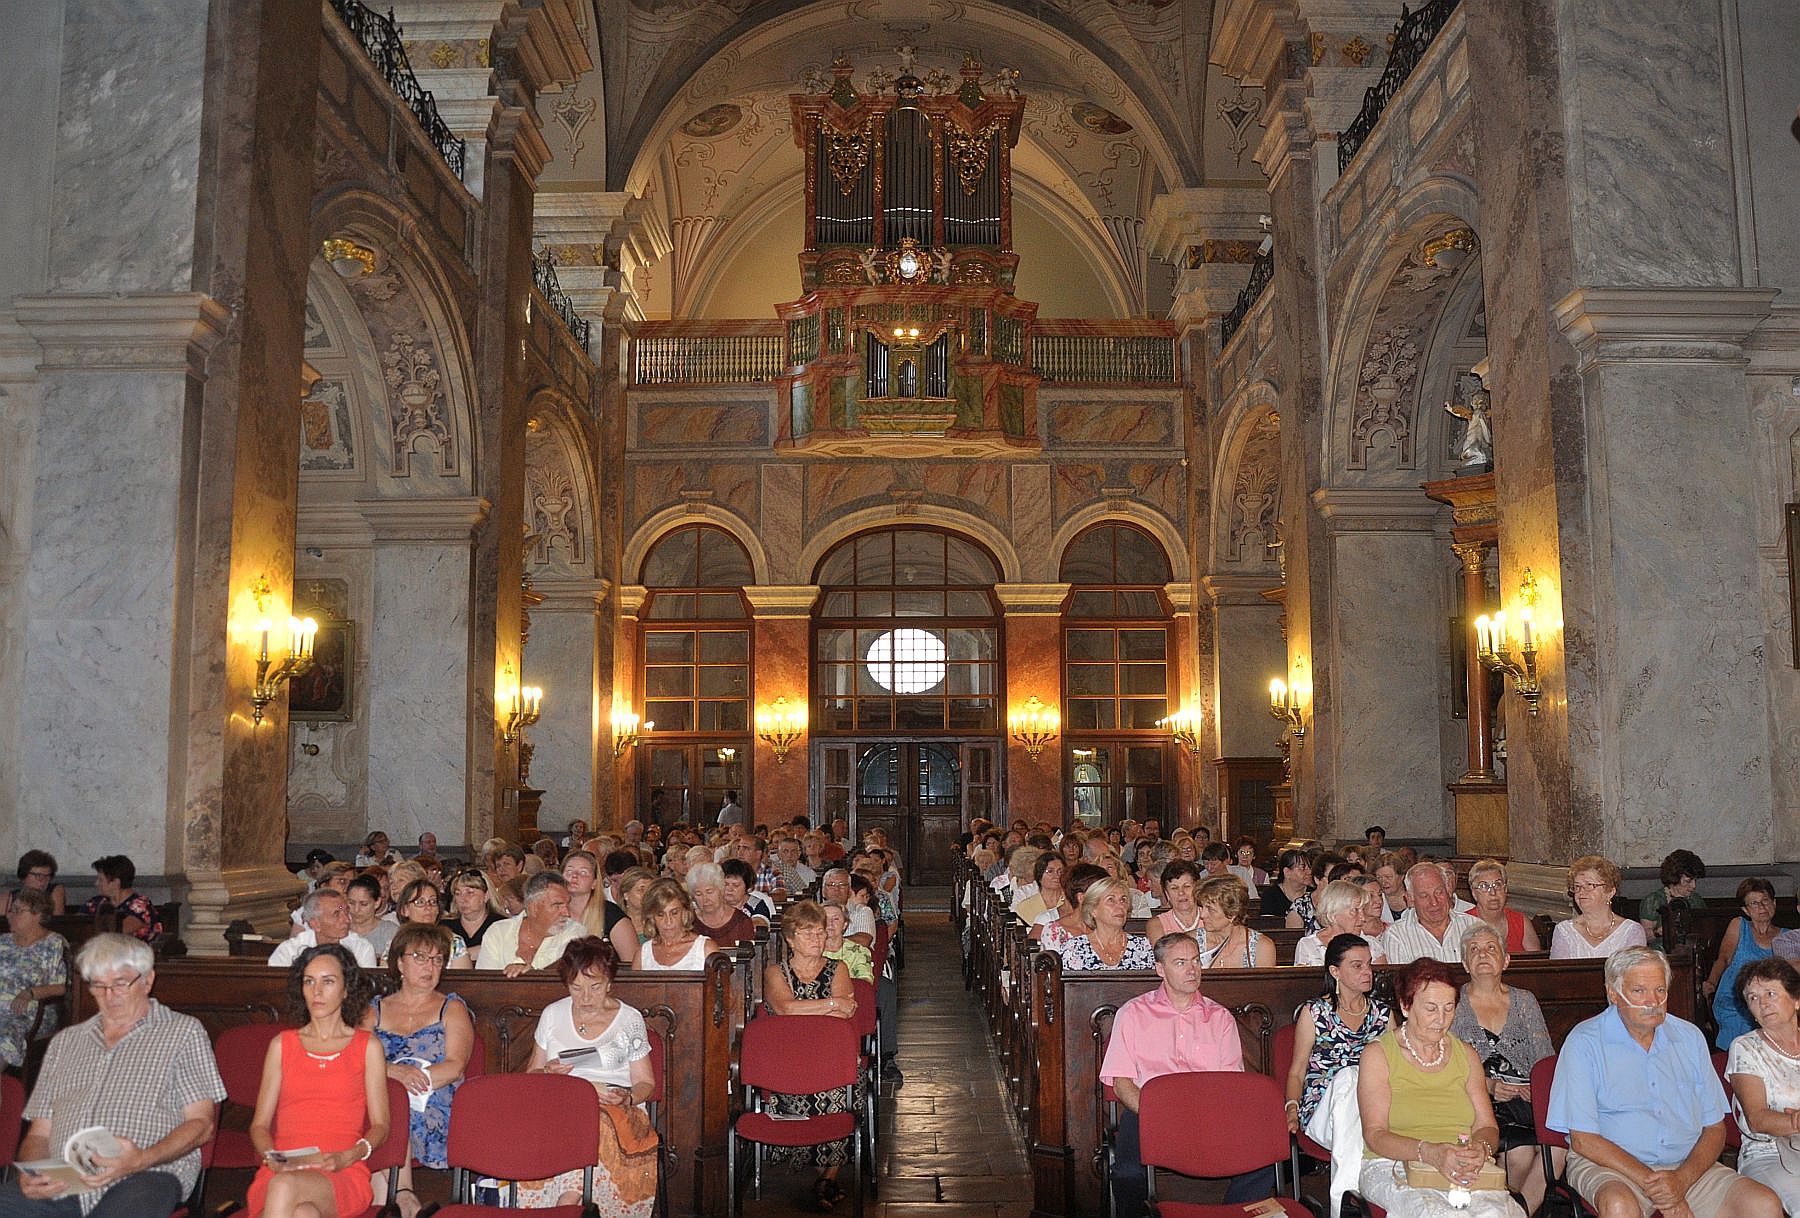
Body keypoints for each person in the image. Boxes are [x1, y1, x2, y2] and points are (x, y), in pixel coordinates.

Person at [1, 934, 225, 1217]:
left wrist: (141, 1159)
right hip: (67, 1179)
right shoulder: (65, 1042)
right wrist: (34, 1172)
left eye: (120, 984)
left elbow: (201, 1124)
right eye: (98, 985)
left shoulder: (183, 1033)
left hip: (147, 1173)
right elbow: (39, 1134)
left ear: (148, 980)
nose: (109, 997)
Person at [1549, 945, 1779, 1218]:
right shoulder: (1584, 1042)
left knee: (1764, 1204)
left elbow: (1715, 1128)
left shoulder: (1689, 1037)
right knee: (1619, 1205)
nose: (1652, 1001)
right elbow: (1584, 1140)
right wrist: (1662, 1189)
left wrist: (1680, 1181)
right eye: (1639, 991)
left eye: (1660, 990)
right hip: (1611, 1166)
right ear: (1613, 993)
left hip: (1686, 1167)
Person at [1100, 933, 1277, 1217]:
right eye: (1180, 962)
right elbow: (1121, 1084)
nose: (1192, 969)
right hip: (1148, 1113)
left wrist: (1203, 1118)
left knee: (1264, 1159)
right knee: (1128, 1174)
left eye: (1195, 960)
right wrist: (1158, 1115)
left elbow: (1230, 1085)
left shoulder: (1219, 1018)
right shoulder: (1132, 1013)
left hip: (1209, 1113)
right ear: (1160, 969)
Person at [1356, 958, 1522, 1218]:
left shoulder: (1466, 1054)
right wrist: (1430, 1152)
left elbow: (1486, 1126)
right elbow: (1375, 1135)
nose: (1441, 1019)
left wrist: (1481, 1149)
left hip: (1461, 1163)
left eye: (1448, 1008)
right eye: (1431, 1008)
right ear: (1405, 1006)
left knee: (1497, 1214)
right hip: (1392, 1162)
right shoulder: (1378, 1055)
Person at [245, 944, 390, 1218]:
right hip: (282, 1167)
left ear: (346, 990)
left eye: (328, 981)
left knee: (284, 1189)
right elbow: (259, 1125)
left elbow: (381, 1126)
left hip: (341, 1169)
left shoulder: (367, 1046)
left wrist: (348, 1156)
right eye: (309, 981)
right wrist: (272, 1157)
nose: (317, 991)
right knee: (303, 1213)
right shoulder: (282, 1045)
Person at [520, 937, 657, 1216]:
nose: (585, 998)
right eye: (575, 988)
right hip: (560, 1102)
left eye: (594, 987)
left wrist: (627, 1096)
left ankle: (567, 1203)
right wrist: (547, 1071)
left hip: (614, 1107)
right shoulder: (552, 1014)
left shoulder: (629, 1019)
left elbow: (646, 1083)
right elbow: (531, 1074)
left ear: (610, 982)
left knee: (593, 1122)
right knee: (539, 1122)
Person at [362, 925, 470, 1218]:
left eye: (437, 960)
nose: (430, 966)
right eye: (420, 957)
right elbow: (354, 1060)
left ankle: (404, 1195)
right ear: (399, 962)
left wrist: (410, 1082)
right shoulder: (374, 1010)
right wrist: (396, 1073)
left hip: (435, 1102)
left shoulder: (452, 1007)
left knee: (390, 1107)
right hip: (382, 1097)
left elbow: (455, 1066)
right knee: (381, 1105)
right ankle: (405, 1201)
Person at [1450, 923, 1557, 1214]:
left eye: (1491, 948)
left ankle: (1515, 1213)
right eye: (1474, 950)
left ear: (1506, 960)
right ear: (1464, 963)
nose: (1483, 955)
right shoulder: (1453, 1003)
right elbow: (1448, 1066)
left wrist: (1534, 1089)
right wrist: (1490, 1086)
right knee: (1522, 1154)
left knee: (1558, 1149)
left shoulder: (1524, 1001)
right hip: (1480, 1102)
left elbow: (1544, 1060)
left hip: (1527, 1101)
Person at [762, 901, 857, 1211]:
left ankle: (827, 1178)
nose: (817, 939)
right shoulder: (775, 972)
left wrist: (810, 1010)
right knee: (798, 1089)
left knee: (843, 1089)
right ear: (790, 938)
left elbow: (843, 1017)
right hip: (788, 1059)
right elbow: (785, 1009)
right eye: (808, 933)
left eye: (820, 932)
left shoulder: (837, 967)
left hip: (830, 1056)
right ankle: (824, 1180)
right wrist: (830, 1004)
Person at [1285, 933, 1390, 1132]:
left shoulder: (1382, 1014)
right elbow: (1297, 1072)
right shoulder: (1315, 1013)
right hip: (1326, 1106)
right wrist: (1292, 1107)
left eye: (1369, 964)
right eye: (1357, 966)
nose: (1368, 972)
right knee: (1347, 1079)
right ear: (1335, 971)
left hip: (1372, 1102)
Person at [1726, 957, 1800, 1214]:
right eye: (1753, 998)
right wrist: (1795, 1123)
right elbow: (1757, 1118)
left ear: (1796, 999)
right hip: (1768, 1154)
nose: (1763, 1003)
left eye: (1770, 993)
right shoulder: (1745, 1048)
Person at [1706, 877, 1781, 1050]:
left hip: (1768, 1000)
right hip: (1734, 999)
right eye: (1754, 903)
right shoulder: (1739, 925)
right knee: (1746, 1019)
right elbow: (1723, 958)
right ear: (1746, 910)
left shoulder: (1786, 936)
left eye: (1765, 901)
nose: (1762, 907)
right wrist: (1711, 982)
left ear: (1774, 903)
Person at [0, 888, 66, 1068]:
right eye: (10, 910)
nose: (9, 915)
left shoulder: (52, 943)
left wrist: (29, 993)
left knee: (5, 1035)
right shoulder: (3, 942)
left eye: (17, 911)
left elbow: (61, 987)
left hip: (28, 1013)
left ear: (37, 915)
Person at [476, 871, 583, 975]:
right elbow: (484, 983)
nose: (567, 913)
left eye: (567, 904)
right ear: (533, 908)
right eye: (557, 905)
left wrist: (531, 975)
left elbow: (568, 976)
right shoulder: (498, 932)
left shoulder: (576, 933)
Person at [1380, 861, 1483, 965]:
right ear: (1410, 899)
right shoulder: (1397, 936)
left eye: (1439, 892)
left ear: (1448, 891)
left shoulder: (1474, 927)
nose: (1434, 902)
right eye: (1424, 896)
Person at [1550, 855, 1647, 961]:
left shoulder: (1631, 931)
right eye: (1577, 886)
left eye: (1590, 885)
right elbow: (1559, 975)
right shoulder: (1564, 931)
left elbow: (1634, 974)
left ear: (1610, 892)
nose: (1581, 892)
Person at [1059, 878, 1154, 972]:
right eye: (1111, 900)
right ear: (1093, 910)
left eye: (1123, 900)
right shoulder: (1074, 949)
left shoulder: (1143, 948)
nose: (1120, 906)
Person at [271, 889, 379, 968]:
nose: (346, 920)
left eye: (346, 911)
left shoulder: (361, 948)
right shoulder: (289, 951)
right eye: (336, 914)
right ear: (315, 924)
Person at [1294, 879, 1388, 966]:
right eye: (1355, 911)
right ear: (1333, 915)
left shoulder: (1371, 945)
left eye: (1362, 910)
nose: (1363, 918)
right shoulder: (1308, 946)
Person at [1194, 875, 1275, 969]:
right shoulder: (1192, 943)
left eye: (1210, 909)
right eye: (1202, 907)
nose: (1202, 915)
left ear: (1233, 913)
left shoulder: (1261, 948)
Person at [1466, 858, 1541, 954]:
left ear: (1505, 889)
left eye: (1497, 885)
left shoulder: (1520, 922)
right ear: (1474, 893)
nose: (1493, 892)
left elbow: (1536, 963)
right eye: (1484, 886)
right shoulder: (1463, 923)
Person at [636, 879, 712, 971]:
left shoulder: (705, 949)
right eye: (660, 915)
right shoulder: (643, 954)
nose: (668, 921)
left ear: (684, 912)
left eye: (674, 913)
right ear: (652, 917)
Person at [394, 878, 470, 969]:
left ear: (438, 909)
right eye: (420, 902)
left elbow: (462, 981)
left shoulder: (454, 943)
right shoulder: (397, 943)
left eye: (433, 901)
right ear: (405, 910)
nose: (428, 907)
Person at [82, 856, 162, 943]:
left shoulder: (140, 906)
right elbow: (77, 926)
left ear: (116, 883)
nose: (96, 883)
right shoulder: (95, 903)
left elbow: (115, 933)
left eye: (101, 880)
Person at [1641, 849, 1708, 951]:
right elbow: (1645, 937)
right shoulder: (1653, 900)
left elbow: (1706, 930)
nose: (1694, 886)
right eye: (1688, 881)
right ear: (1674, 878)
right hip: (1661, 955)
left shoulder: (1696, 900)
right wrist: (1659, 932)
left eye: (1695, 880)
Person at [686, 863, 756, 947]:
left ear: (721, 890)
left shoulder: (742, 922)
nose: (705, 899)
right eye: (698, 894)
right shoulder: (689, 922)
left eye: (709, 892)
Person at [608, 867, 657, 967]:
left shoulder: (658, 923)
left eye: (650, 891)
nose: (647, 895)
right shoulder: (616, 923)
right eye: (641, 890)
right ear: (626, 894)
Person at [1146, 860, 1204, 941]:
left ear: (1197, 888)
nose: (1181, 893)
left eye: (1187, 886)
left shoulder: (1212, 917)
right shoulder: (1157, 925)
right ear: (1166, 893)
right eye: (1174, 888)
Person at [344, 875, 398, 962]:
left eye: (364, 904)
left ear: (377, 902)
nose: (356, 910)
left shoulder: (390, 932)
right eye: (351, 903)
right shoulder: (339, 929)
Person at [442, 869, 500, 950]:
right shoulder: (444, 927)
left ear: (486, 896)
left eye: (470, 893)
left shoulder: (500, 925)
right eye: (458, 893)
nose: (463, 899)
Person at [0, 851, 66, 919]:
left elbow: (57, 924)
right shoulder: (8, 898)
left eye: (47, 876)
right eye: (37, 875)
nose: (43, 881)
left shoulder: (55, 891)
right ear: (24, 876)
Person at [822, 901, 873, 981]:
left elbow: (864, 985)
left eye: (836, 919)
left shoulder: (859, 952)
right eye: (825, 919)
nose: (830, 923)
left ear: (845, 924)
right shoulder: (809, 951)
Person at [1014, 852, 1066, 929]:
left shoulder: (1071, 904)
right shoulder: (1024, 907)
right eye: (1050, 871)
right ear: (1039, 875)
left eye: (1060, 871)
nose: (1057, 876)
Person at [1261, 848, 1313, 921]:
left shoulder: (1313, 893)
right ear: (1287, 872)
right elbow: (1267, 924)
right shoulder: (1271, 895)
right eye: (1302, 868)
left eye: (1310, 867)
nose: (1309, 872)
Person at [563, 850, 606, 936]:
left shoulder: (609, 914)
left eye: (583, 872)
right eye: (569, 871)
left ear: (594, 883)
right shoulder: (550, 912)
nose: (574, 875)